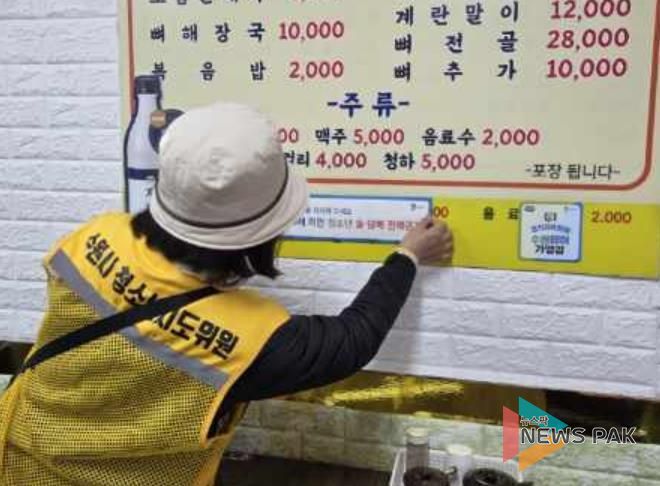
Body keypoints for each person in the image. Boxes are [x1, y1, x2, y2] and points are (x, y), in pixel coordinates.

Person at [0, 102, 453, 485]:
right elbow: (352, 340)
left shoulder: (95, 235)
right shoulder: (250, 341)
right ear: (262, 236)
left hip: (19, 459)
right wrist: (408, 256)